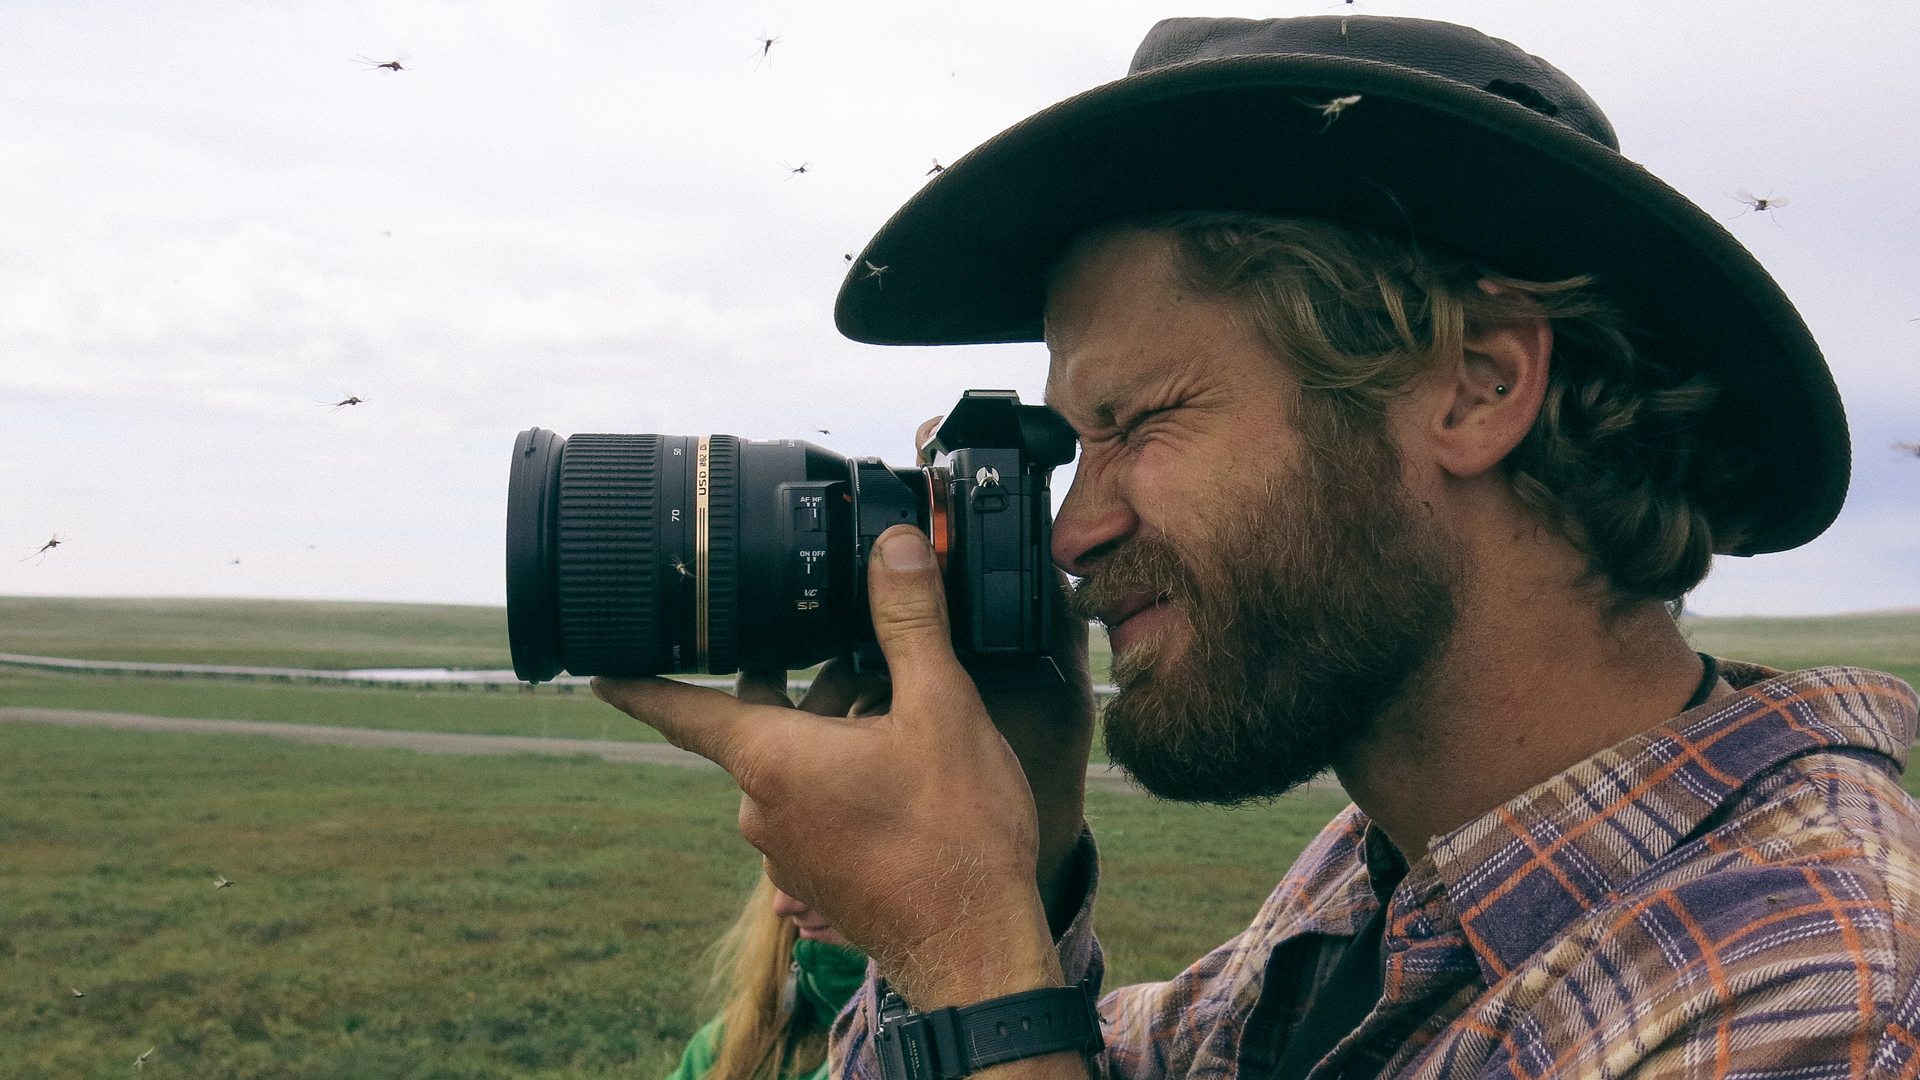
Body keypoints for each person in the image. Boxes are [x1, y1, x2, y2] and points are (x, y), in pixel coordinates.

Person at [601, 15, 1920, 1080]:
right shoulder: (1385, 898)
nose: (1073, 529)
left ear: (1473, 386)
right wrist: (1022, 857)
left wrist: (968, 955)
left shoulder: (1822, 989)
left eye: (1139, 420)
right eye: (1073, 446)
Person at [663, 875, 868, 1080]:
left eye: (826, 872)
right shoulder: (733, 1042)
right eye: (781, 867)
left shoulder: (896, 1057)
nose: (783, 905)